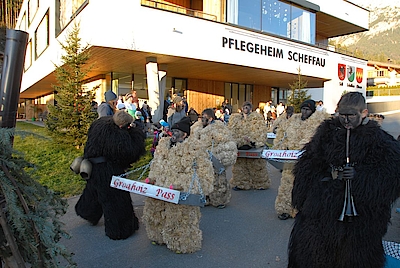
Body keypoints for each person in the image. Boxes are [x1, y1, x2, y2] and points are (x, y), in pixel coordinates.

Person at [288, 92, 400, 268]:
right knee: (314, 254)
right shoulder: (326, 133)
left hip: (360, 217)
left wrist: (361, 177)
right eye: (342, 115)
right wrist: (312, 193)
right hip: (323, 209)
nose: (346, 121)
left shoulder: (380, 141)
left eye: (351, 116)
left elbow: (391, 175)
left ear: (363, 113)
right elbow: (309, 162)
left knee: (353, 258)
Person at [142, 116, 214, 253]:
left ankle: (182, 244)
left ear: (185, 134)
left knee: (180, 218)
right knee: (156, 212)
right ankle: (158, 236)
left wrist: (185, 187)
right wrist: (152, 178)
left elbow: (204, 174)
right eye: (172, 131)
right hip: (160, 189)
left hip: (179, 190)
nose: (172, 134)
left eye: (176, 132)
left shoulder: (195, 150)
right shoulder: (164, 145)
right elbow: (156, 165)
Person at [273, 99, 330, 220]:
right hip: (290, 159)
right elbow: (282, 136)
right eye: (303, 109)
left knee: (304, 186)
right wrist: (281, 147)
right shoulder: (292, 121)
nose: (305, 112)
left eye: (308, 109)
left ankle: (302, 210)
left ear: (312, 111)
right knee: (286, 185)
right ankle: (285, 209)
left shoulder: (318, 124)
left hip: (307, 162)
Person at [191, 108, 237, 209]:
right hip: (202, 159)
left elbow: (224, 142)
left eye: (204, 117)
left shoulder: (218, 129)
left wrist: (219, 157)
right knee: (203, 178)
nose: (202, 119)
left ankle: (219, 200)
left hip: (215, 158)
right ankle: (205, 198)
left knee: (218, 180)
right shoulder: (197, 128)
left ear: (210, 119)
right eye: (201, 117)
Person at [227, 101, 270, 190]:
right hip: (240, 145)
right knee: (240, 166)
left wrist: (252, 140)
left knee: (256, 165)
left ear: (251, 109)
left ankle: (260, 183)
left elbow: (260, 131)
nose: (245, 109)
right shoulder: (236, 119)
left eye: (247, 107)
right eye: (244, 107)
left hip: (252, 145)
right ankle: (241, 183)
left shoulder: (257, 119)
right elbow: (231, 131)